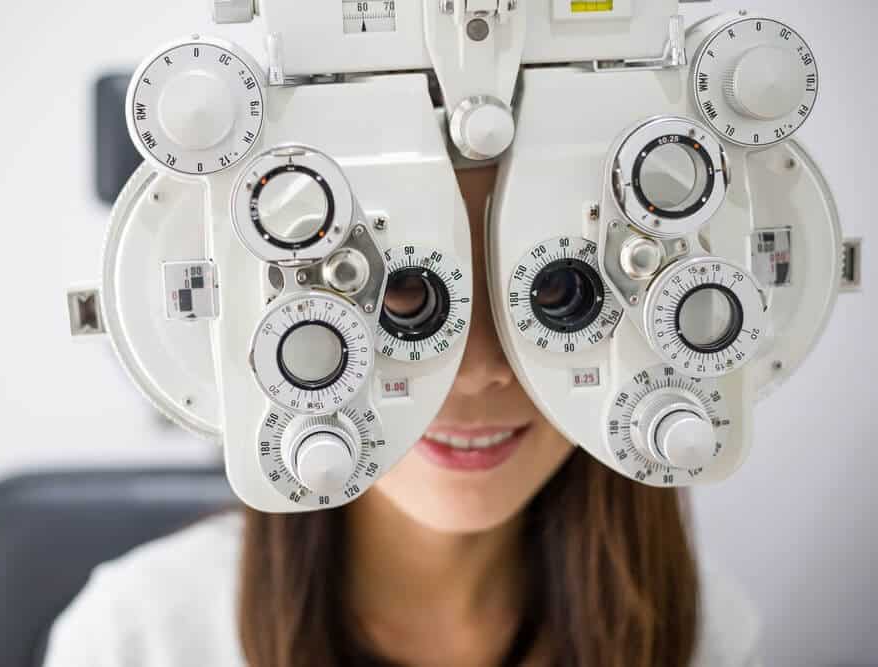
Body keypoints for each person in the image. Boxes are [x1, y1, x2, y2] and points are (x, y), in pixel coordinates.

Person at [43, 165, 760, 667]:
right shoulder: (138, 640)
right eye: (406, 294)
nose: (479, 369)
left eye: (555, 291)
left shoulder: (700, 630)